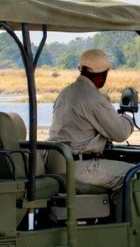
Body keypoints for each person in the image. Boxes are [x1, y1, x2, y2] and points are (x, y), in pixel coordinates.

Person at [48, 49, 134, 191]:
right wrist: (127, 118)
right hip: (79, 168)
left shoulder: (65, 93)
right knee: (135, 173)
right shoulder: (93, 98)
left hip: (56, 164)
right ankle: (123, 213)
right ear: (103, 74)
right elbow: (120, 133)